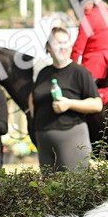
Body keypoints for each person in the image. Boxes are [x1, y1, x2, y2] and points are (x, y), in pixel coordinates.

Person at [28, 27, 101, 172]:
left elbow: (97, 104)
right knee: (50, 190)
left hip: (71, 136)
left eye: (66, 42)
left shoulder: (79, 72)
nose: (63, 47)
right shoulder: (43, 73)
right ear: (48, 47)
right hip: (44, 139)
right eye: (57, 43)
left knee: (75, 185)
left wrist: (69, 104)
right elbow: (34, 98)